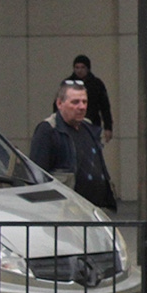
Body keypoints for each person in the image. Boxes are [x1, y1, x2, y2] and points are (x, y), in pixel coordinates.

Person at [30, 79, 116, 210]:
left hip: (94, 209)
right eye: (75, 102)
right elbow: (37, 176)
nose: (81, 107)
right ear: (60, 103)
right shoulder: (48, 130)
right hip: (64, 211)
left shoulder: (88, 127)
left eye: (84, 102)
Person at [65, 53, 113, 143]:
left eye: (82, 67)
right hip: (71, 125)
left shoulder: (96, 84)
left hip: (92, 124)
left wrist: (108, 127)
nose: (79, 71)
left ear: (88, 68)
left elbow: (105, 107)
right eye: (77, 67)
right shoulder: (67, 84)